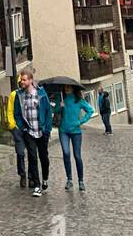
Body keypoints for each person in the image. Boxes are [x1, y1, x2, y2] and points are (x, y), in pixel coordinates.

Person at [12, 65, 52, 196]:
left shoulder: (41, 94)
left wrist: (47, 129)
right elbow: (17, 113)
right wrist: (22, 127)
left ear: (30, 80)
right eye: (21, 80)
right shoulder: (19, 95)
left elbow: (47, 112)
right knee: (33, 158)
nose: (22, 82)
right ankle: (37, 185)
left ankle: (45, 178)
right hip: (29, 132)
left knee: (44, 158)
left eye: (24, 80)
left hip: (41, 131)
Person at [58, 85, 94, 191]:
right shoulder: (61, 99)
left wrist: (81, 121)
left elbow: (90, 111)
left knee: (77, 156)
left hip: (76, 132)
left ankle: (81, 180)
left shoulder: (79, 100)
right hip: (63, 130)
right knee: (66, 153)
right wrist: (60, 106)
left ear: (74, 88)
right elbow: (54, 110)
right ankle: (69, 179)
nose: (67, 88)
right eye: (65, 87)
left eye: (69, 87)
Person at [6, 84, 28, 188]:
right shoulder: (14, 94)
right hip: (18, 129)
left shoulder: (31, 94)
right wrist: (12, 126)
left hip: (29, 129)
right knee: (20, 153)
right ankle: (22, 174)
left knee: (32, 155)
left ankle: (32, 177)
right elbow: (10, 111)